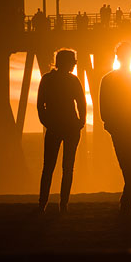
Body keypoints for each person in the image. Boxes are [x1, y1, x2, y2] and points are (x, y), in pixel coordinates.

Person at [99, 42, 131, 213]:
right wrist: (109, 123)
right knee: (130, 164)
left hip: (129, 127)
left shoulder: (108, 79)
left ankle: (129, 201)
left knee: (129, 164)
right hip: (126, 127)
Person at [37, 49, 86, 213]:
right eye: (73, 60)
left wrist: (47, 123)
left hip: (56, 127)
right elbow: (82, 103)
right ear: (68, 62)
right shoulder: (73, 80)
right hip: (70, 127)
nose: (74, 63)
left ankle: (43, 204)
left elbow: (40, 106)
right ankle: (62, 204)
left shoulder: (47, 79)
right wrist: (80, 122)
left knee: (48, 167)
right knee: (67, 167)